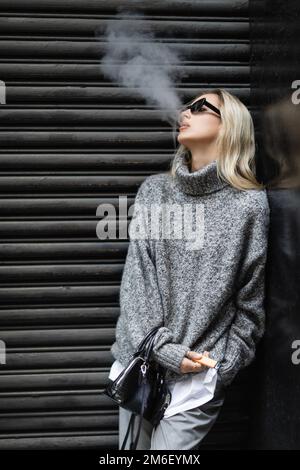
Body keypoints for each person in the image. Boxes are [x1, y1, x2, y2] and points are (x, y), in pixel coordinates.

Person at [110, 88, 270, 450]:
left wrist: (223, 366)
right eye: (187, 105)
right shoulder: (154, 192)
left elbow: (250, 303)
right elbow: (137, 285)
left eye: (200, 107)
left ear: (229, 124)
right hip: (141, 364)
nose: (186, 111)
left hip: (198, 380)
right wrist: (163, 351)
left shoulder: (250, 205)